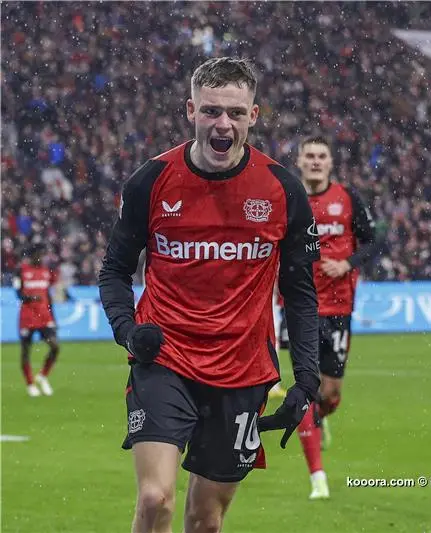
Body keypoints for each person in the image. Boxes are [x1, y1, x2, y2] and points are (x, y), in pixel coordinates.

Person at [98, 57, 321, 533]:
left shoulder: (283, 190)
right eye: (212, 111)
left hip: (242, 372)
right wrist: (128, 332)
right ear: (191, 110)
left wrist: (306, 381)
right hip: (166, 359)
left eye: (236, 114)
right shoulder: (150, 181)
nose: (224, 124)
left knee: (205, 521)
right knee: (155, 498)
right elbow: (114, 271)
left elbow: (300, 293)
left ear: (254, 116)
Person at [291, 136, 379, 500]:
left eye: (321, 156)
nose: (315, 161)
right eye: (309, 156)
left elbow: (373, 241)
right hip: (301, 309)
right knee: (306, 390)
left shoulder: (348, 199)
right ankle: (318, 478)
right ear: (299, 162)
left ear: (330, 163)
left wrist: (347, 263)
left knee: (331, 395)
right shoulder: (288, 199)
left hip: (340, 309)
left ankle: (322, 417)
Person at [13, 245, 61, 397]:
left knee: (55, 346)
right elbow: (18, 293)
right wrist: (29, 298)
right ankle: (30, 384)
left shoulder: (46, 272)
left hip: (44, 316)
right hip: (27, 317)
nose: (41, 258)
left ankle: (42, 376)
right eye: (39, 255)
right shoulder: (22, 270)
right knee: (26, 351)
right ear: (32, 255)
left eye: (43, 255)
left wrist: (53, 317)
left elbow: (48, 295)